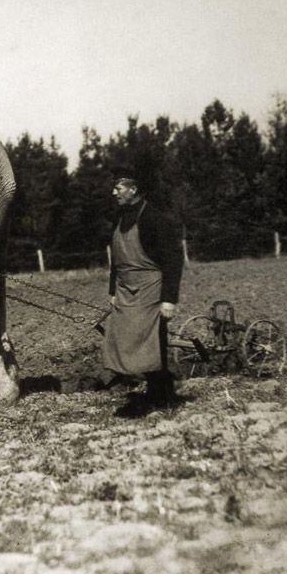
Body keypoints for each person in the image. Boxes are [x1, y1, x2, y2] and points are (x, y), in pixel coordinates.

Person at [102, 172, 184, 408]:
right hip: (125, 289)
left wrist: (169, 300)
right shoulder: (121, 218)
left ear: (134, 189)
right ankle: (157, 389)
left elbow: (172, 259)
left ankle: (163, 395)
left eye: (118, 188)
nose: (114, 193)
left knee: (151, 340)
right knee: (125, 337)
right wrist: (112, 291)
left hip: (150, 289)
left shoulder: (155, 219)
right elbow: (117, 260)